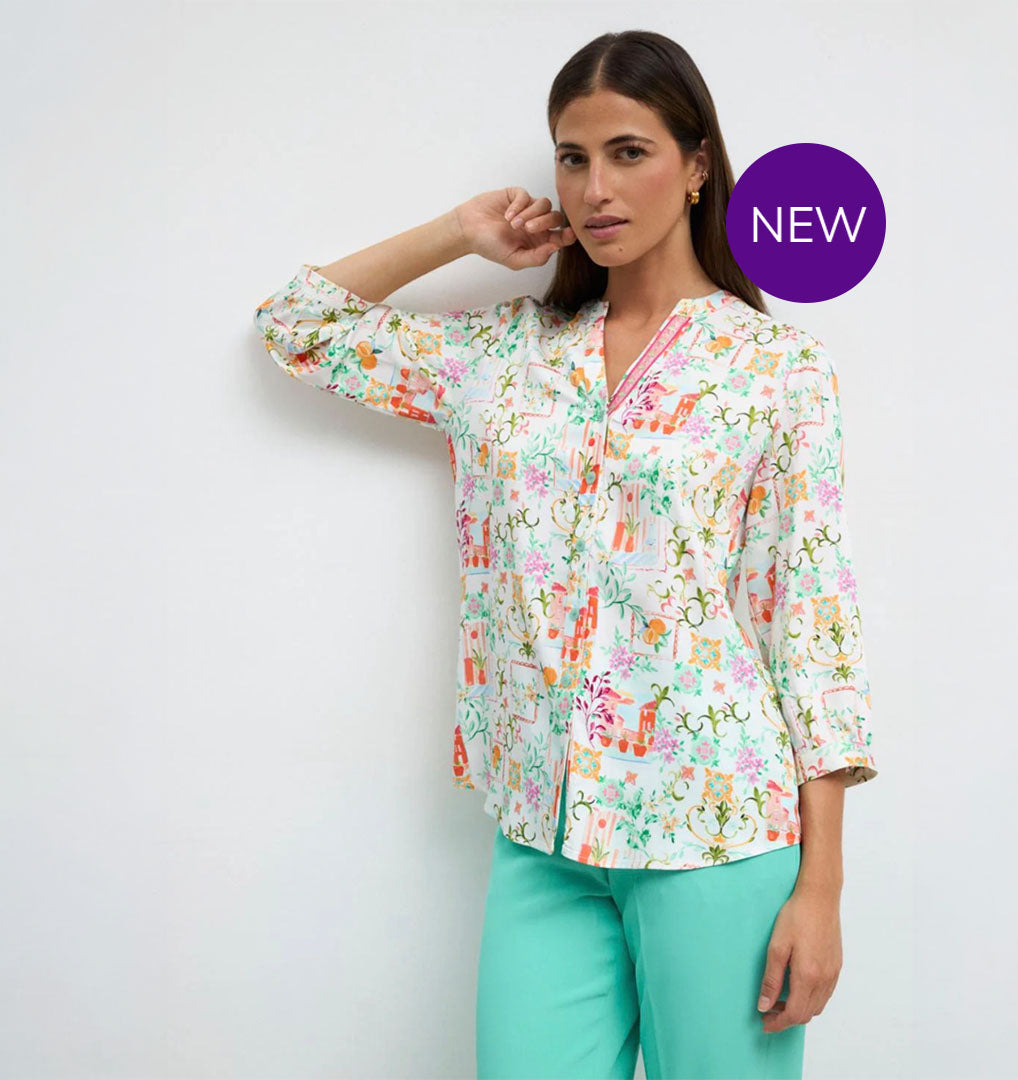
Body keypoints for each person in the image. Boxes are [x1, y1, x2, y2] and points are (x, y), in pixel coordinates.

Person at [253, 28, 878, 1080]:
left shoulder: (777, 369)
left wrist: (822, 889)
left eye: (629, 153)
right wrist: (459, 234)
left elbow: (810, 626)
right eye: (573, 158)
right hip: (541, 834)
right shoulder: (503, 354)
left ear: (697, 165)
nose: (596, 189)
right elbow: (295, 327)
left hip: (717, 829)